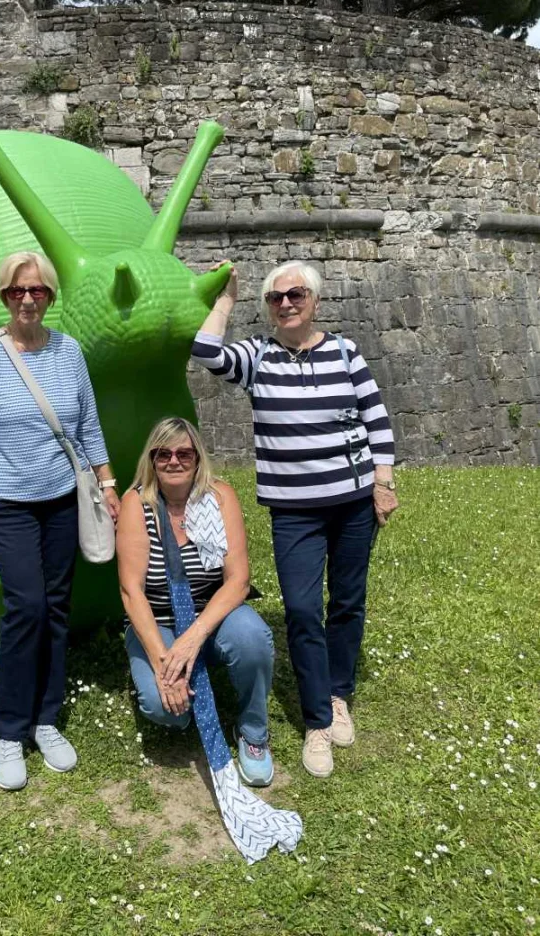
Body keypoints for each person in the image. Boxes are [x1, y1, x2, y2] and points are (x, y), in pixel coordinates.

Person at [191, 260, 398, 779]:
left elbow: (376, 418)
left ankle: (338, 692)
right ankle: (317, 722)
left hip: (353, 502)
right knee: (304, 611)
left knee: (347, 601)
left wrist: (384, 481)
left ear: (315, 301)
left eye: (296, 294)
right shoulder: (258, 356)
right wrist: (227, 300)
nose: (286, 304)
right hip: (293, 511)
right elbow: (206, 352)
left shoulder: (345, 352)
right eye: (276, 298)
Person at [0, 250, 120, 791]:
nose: (27, 300)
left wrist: (108, 484)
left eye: (38, 291)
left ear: (50, 296)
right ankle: (8, 730)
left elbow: (87, 423)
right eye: (17, 292)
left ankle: (46, 721)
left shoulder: (69, 352)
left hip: (60, 499)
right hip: (5, 502)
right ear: (4, 297)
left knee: (57, 609)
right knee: (26, 606)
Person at [116, 416, 277, 787]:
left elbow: (238, 581)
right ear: (151, 460)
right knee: (167, 711)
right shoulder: (135, 504)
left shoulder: (220, 497)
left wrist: (193, 638)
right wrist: (163, 663)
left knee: (252, 639)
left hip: (212, 613)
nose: (174, 461)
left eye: (184, 453)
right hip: (157, 620)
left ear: (198, 458)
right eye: (163, 454)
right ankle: (181, 691)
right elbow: (131, 592)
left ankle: (253, 732)